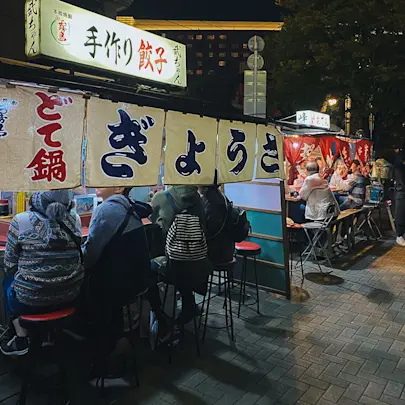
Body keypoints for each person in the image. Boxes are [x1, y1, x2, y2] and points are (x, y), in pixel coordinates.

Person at [1, 190, 84, 356]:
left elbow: (9, 264)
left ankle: (21, 337)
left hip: (28, 301)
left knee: (8, 280)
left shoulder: (21, 220)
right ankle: (49, 334)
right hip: (70, 296)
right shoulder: (75, 218)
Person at [151, 186, 211, 325]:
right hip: (199, 263)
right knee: (184, 264)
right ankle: (188, 303)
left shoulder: (160, 197)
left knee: (149, 267)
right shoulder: (198, 198)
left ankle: (160, 315)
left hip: (173, 264)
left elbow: (154, 221)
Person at [198, 185, 235, 265]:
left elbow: (210, 229)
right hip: (228, 249)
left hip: (216, 252)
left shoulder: (210, 203)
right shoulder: (222, 196)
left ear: (205, 187)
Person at [394, 146, 405, 246]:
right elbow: (401, 180)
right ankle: (399, 235)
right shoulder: (399, 164)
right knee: (401, 212)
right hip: (401, 191)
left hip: (401, 190)